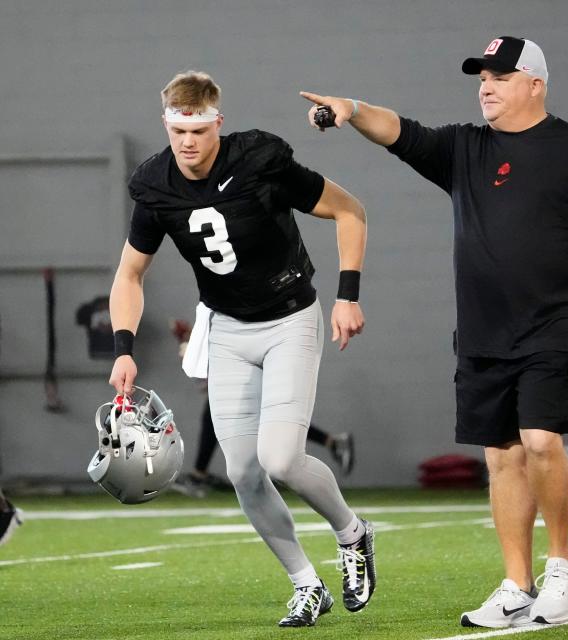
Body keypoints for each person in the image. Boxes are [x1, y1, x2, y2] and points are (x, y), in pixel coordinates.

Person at [301, 35, 568, 628]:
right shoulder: (464, 147)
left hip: (555, 323)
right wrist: (353, 109)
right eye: (481, 77)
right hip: (484, 331)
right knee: (502, 456)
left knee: (542, 441)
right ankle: (517, 582)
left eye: (500, 75)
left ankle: (564, 565)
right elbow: (400, 131)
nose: (486, 85)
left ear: (535, 84)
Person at [108, 71, 376, 627]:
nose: (188, 141)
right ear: (167, 124)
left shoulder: (260, 160)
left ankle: (352, 533)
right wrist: (124, 348)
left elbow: (350, 210)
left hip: (289, 319)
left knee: (280, 458)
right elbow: (129, 275)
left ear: (217, 124)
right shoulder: (154, 184)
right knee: (244, 473)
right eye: (178, 129)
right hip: (226, 328)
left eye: (199, 129)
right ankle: (306, 583)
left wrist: (348, 295)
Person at [169, 322, 356, 498]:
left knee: (271, 421)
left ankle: (204, 474)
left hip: (258, 362)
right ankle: (331, 442)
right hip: (249, 366)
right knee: (265, 420)